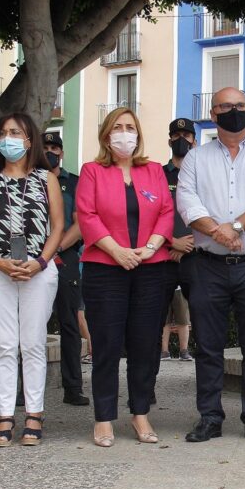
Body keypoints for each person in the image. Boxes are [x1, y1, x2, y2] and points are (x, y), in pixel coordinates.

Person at [177, 88, 245, 444]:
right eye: (227, 106)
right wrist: (218, 233)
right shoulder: (196, 158)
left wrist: (235, 227)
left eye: (241, 105)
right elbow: (187, 202)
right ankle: (210, 416)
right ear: (213, 112)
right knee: (207, 345)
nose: (235, 111)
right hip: (208, 265)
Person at [77, 107, 174, 448]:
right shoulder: (92, 171)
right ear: (106, 135)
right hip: (105, 269)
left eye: (130, 127)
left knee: (145, 345)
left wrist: (149, 247)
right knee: (105, 345)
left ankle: (140, 413)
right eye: (117, 127)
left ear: (139, 134)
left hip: (150, 268)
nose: (124, 133)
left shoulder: (153, 171)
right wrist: (117, 251)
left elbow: (166, 211)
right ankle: (104, 418)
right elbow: (86, 215)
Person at [0, 114, 63, 447]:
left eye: (15, 133)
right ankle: (5, 414)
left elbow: (57, 227)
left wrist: (40, 262)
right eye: (3, 133)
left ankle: (35, 414)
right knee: (5, 345)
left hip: (39, 270)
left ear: (29, 140)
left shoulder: (45, 179)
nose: (8, 138)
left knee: (34, 343)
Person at [43, 131, 89, 406]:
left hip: (64, 257)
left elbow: (81, 222)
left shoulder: (73, 182)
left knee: (70, 324)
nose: (50, 151)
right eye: (45, 147)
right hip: (32, 259)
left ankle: (73, 387)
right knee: (32, 326)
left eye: (54, 147)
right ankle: (25, 391)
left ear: (62, 152)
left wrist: (55, 249)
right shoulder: (29, 179)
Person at [161, 117, 197, 362]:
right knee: (153, 321)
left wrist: (186, 245)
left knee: (202, 319)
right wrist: (172, 242)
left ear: (194, 142)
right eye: (177, 136)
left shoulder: (202, 176)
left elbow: (213, 214)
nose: (181, 140)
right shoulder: (158, 175)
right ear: (169, 140)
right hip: (162, 256)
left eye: (186, 136)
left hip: (195, 257)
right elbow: (149, 214)